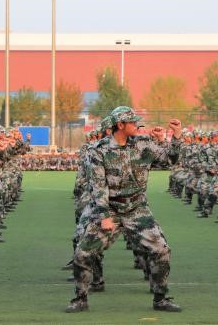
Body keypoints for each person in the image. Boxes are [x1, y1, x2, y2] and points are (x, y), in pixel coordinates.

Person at [66, 106, 183, 313]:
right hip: (110, 209)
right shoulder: (98, 151)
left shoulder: (143, 144)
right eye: (132, 122)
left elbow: (170, 160)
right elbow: (98, 186)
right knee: (83, 253)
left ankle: (160, 298)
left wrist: (175, 137)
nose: (137, 124)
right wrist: (104, 216)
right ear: (120, 125)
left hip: (136, 208)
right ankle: (80, 299)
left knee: (161, 250)